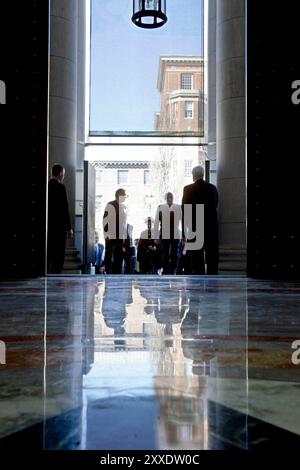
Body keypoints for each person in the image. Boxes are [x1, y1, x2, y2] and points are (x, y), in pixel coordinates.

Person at [182, 165, 219, 275]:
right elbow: (215, 204)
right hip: (210, 226)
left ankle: (199, 282)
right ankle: (213, 281)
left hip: (195, 225)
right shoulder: (212, 188)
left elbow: (185, 209)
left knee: (197, 259)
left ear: (193, 176)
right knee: (212, 256)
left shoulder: (188, 189)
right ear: (203, 174)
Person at [47, 164, 73, 274]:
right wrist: (69, 228)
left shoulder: (47, 185)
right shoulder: (61, 188)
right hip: (59, 226)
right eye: (63, 174)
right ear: (60, 173)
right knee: (59, 254)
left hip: (48, 225)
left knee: (49, 252)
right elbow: (64, 209)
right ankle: (55, 274)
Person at [154, 192, 182, 275]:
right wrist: (156, 237)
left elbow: (182, 220)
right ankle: (166, 271)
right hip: (164, 233)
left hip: (175, 233)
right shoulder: (160, 207)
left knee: (174, 254)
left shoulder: (178, 207)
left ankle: (173, 270)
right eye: (168, 197)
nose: (170, 198)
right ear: (165, 198)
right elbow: (156, 222)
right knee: (165, 254)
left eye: (171, 197)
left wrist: (184, 235)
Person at [103, 188, 128, 274]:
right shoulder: (110, 205)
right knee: (109, 254)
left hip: (120, 235)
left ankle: (117, 273)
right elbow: (105, 220)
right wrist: (106, 234)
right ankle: (108, 272)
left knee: (119, 255)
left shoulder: (123, 207)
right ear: (119, 196)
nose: (125, 197)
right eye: (124, 195)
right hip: (111, 234)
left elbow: (124, 223)